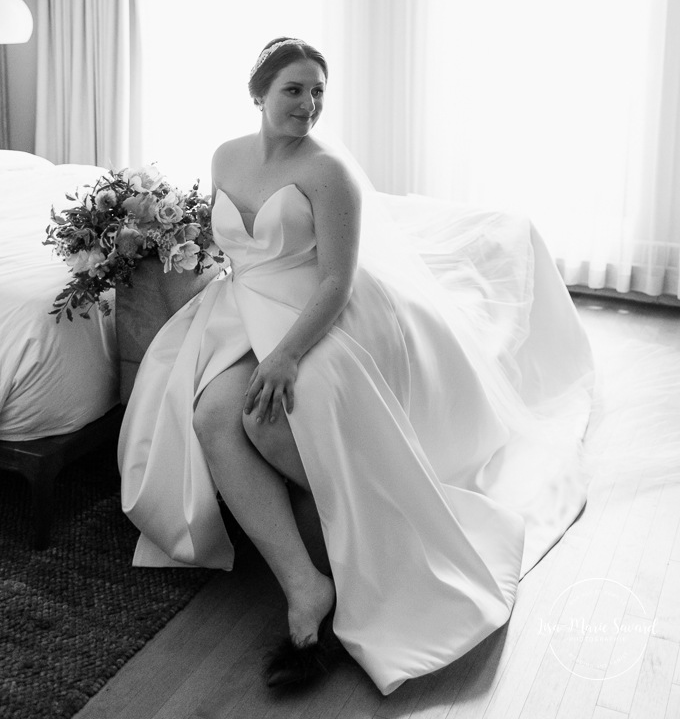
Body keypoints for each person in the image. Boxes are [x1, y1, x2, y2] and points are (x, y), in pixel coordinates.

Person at [119, 37, 594, 694]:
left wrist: (286, 354)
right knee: (208, 417)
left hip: (308, 310)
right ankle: (307, 583)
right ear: (258, 93)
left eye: (318, 91)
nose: (308, 104)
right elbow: (231, 250)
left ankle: (346, 544)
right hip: (242, 309)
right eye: (293, 89)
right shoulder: (226, 156)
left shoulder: (327, 172)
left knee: (265, 423)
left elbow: (337, 280)